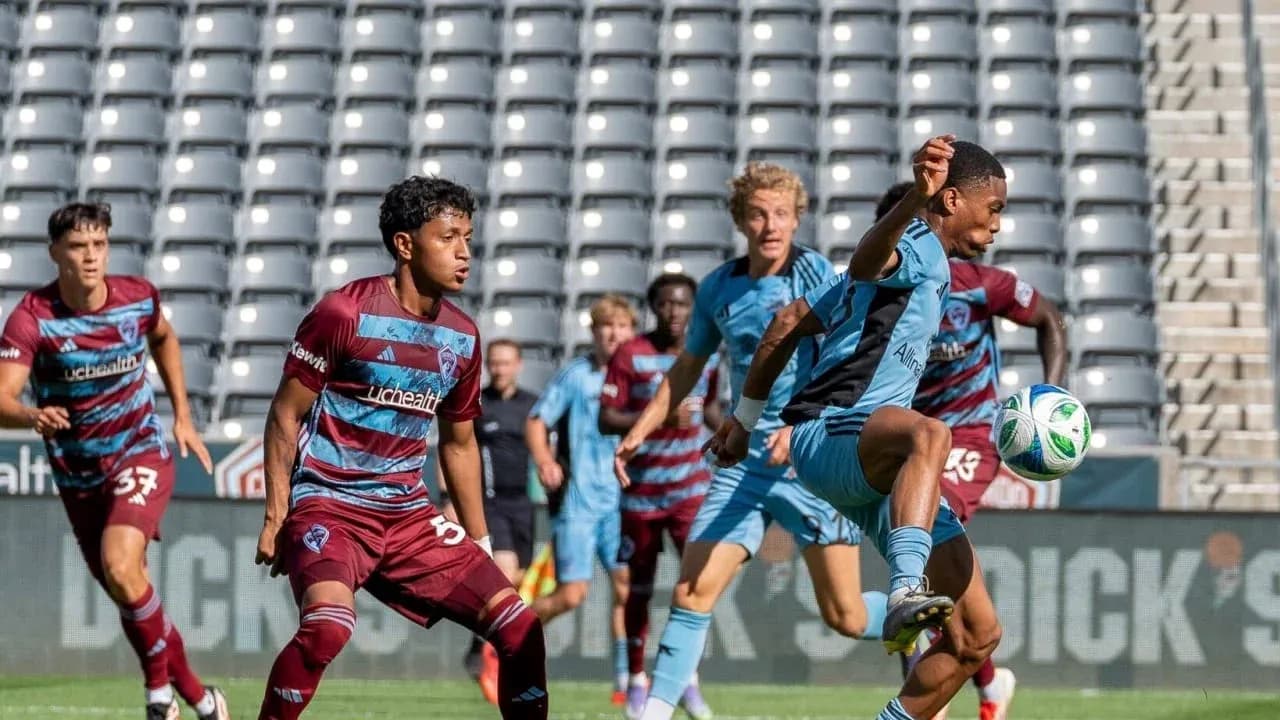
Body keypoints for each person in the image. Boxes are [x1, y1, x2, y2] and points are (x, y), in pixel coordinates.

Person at [704, 136, 1008, 720]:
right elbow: (872, 259)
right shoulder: (917, 244)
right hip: (833, 432)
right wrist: (908, 205)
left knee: (977, 636)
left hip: (872, 468)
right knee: (932, 435)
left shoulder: (900, 269)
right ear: (948, 201)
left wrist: (743, 422)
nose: (997, 224)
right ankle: (904, 590)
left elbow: (790, 319)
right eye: (991, 208)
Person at [253, 176, 548, 720]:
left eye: (469, 238)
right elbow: (285, 414)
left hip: (406, 515)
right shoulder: (344, 314)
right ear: (405, 245)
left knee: (521, 627)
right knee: (327, 629)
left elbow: (459, 445)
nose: (464, 252)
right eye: (449, 237)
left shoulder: (463, 336)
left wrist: (478, 541)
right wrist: (277, 515)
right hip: (330, 506)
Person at [614, 162, 889, 720]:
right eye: (759, 213)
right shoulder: (719, 287)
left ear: (796, 218)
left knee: (848, 617)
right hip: (743, 464)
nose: (771, 225)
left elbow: (848, 360)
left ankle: (923, 617)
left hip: (812, 460)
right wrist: (638, 434)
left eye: (782, 214)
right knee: (692, 593)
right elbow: (687, 369)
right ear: (741, 219)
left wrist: (803, 426)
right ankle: (654, 713)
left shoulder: (818, 274)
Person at [0, 202, 228, 720]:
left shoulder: (137, 298)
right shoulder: (32, 318)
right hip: (80, 475)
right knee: (129, 589)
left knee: (122, 568)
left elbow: (165, 338)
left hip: (140, 451)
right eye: (79, 247)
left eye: (99, 244)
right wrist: (30, 416)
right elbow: (1, 398)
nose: (91, 256)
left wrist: (184, 417)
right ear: (55, 252)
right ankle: (202, 699)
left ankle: (158, 698)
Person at [874, 181, 1068, 720]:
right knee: (928, 563)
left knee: (924, 539)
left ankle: (923, 700)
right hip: (907, 437)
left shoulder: (981, 285)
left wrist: (1051, 392)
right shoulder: (877, 293)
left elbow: (1049, 318)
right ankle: (988, 679)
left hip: (969, 433)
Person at [599, 273, 722, 720]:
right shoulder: (632, 354)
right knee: (640, 591)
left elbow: (710, 408)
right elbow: (606, 418)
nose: (675, 312)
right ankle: (635, 680)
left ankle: (684, 679)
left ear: (694, 308)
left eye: (683, 304)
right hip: (642, 496)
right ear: (653, 307)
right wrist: (654, 416)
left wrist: (732, 429)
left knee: (696, 587)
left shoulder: (706, 353)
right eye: (666, 304)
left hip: (690, 491)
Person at [525, 294, 637, 704]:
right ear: (594, 332)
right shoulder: (577, 376)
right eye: (606, 326)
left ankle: (626, 682)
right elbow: (537, 420)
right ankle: (505, 634)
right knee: (572, 595)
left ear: (631, 331)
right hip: (579, 501)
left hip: (621, 503)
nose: (614, 333)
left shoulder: (638, 379)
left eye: (622, 326)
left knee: (628, 588)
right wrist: (544, 460)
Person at [458, 338, 540, 701]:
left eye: (506, 363)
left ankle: (487, 648)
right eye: (494, 363)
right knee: (503, 572)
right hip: (490, 502)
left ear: (518, 364)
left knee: (517, 582)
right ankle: (481, 651)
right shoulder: (478, 405)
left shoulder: (531, 406)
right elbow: (455, 449)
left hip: (522, 504)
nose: (500, 369)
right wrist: (450, 500)